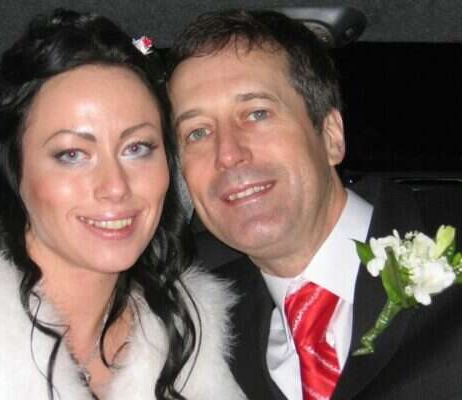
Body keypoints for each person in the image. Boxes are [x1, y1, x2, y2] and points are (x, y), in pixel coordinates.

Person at [0, 9, 245, 400]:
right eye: (72, 154)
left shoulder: (193, 341)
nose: (115, 187)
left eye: (137, 148)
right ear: (15, 171)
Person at [167, 9, 462, 400]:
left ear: (331, 136)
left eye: (257, 113)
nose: (227, 154)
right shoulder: (190, 332)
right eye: (197, 133)